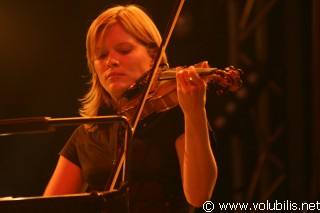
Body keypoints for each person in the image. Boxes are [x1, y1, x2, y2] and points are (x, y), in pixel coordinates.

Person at [43, 4, 217, 212]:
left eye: (124, 50)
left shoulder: (176, 116)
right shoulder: (89, 133)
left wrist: (195, 111)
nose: (111, 61)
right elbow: (48, 206)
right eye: (101, 55)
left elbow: (198, 196)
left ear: (153, 56)